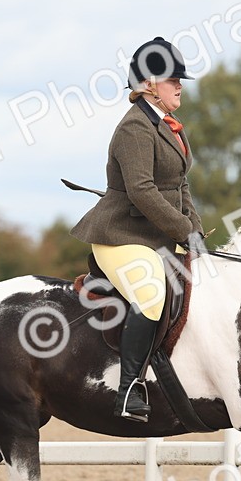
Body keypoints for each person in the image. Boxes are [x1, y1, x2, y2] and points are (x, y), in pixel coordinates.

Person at [70, 37, 207, 422]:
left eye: (181, 79)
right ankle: (129, 389)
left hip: (155, 235)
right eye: (172, 79)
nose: (180, 85)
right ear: (148, 84)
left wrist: (195, 231)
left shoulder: (170, 127)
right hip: (120, 236)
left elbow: (181, 186)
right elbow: (143, 191)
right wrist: (182, 230)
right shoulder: (135, 129)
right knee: (150, 294)